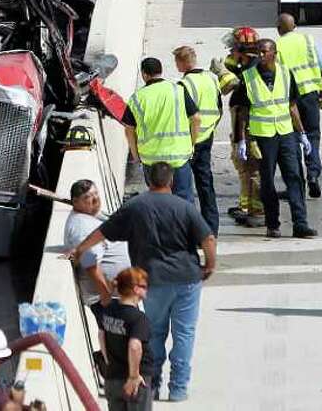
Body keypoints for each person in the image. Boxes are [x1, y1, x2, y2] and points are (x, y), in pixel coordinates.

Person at [68, 162, 217, 403]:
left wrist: (81, 248)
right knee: (184, 333)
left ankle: (153, 385)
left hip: (154, 281)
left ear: (148, 181)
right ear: (171, 182)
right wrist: (209, 266)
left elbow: (103, 231)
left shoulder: (135, 207)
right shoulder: (185, 207)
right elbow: (208, 238)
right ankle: (178, 388)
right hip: (187, 279)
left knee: (155, 333)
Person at [241, 38, 316, 239]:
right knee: (267, 181)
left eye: (265, 51)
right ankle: (272, 224)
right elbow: (242, 110)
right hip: (264, 136)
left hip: (286, 134)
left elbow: (292, 106)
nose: (261, 55)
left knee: (294, 177)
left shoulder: (285, 73)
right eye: (259, 51)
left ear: (274, 53)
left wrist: (302, 133)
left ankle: (301, 223)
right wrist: (241, 139)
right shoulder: (248, 77)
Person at [121, 57, 200, 204]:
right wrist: (192, 143)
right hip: (179, 157)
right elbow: (196, 118)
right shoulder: (178, 91)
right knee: (184, 202)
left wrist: (135, 155)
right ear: (161, 71)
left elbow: (129, 129)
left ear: (144, 74)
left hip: (151, 160)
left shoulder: (137, 98)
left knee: (158, 203)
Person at [63, 179, 131, 323]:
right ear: (75, 202)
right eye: (88, 197)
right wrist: (105, 294)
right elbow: (89, 259)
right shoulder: (80, 226)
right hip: (108, 301)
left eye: (96, 193)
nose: (95, 199)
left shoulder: (90, 215)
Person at [276, 13, 322, 198]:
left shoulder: (278, 46)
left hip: (290, 100)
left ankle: (296, 184)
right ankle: (313, 174)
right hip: (311, 95)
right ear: (295, 25)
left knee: (292, 140)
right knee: (313, 135)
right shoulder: (309, 40)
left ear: (279, 29)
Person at [216, 27, 264, 227]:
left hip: (249, 129)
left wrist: (242, 139)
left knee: (253, 170)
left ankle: (257, 211)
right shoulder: (246, 64)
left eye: (234, 47)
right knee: (244, 169)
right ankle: (247, 207)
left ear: (241, 49)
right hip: (243, 127)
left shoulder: (252, 71)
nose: (230, 50)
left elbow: (238, 98)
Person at [173, 46, 221, 234]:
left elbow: (186, 114)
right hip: (207, 135)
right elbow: (219, 106)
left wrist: (189, 140)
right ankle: (211, 228)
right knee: (205, 184)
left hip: (190, 140)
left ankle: (190, 230)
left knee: (184, 188)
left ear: (183, 62)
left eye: (177, 61)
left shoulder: (184, 84)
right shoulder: (211, 78)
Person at [99, 267, 154, 411]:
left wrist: (107, 361)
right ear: (136, 289)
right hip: (134, 380)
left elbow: (101, 334)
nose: (147, 289)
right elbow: (134, 346)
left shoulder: (108, 309)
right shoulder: (138, 318)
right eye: (145, 286)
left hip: (112, 376)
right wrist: (133, 376)